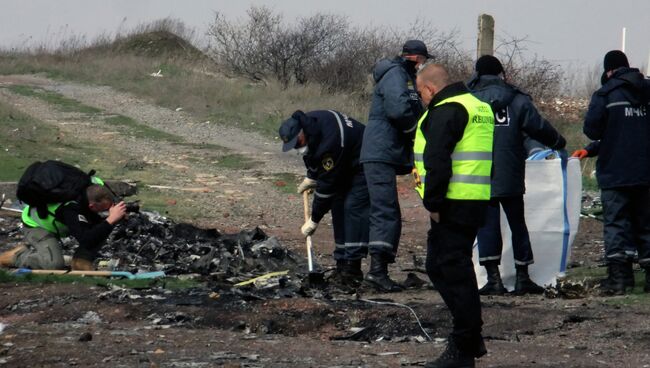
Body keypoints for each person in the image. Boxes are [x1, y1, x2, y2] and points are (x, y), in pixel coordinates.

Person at [467, 55, 567, 295]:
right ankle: (523, 278)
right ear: (501, 73)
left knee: (487, 225)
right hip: (511, 171)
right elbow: (538, 126)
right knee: (518, 225)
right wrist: (558, 142)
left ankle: (493, 280)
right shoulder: (518, 100)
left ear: (478, 74)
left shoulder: (469, 100)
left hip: (481, 172)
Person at [414, 63, 493, 367]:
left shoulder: (446, 109)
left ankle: (465, 346)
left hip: (452, 202)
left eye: (421, 91)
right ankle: (468, 339)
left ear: (430, 89)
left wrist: (433, 204)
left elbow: (438, 162)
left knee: (454, 271)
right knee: (437, 266)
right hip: (474, 198)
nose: (421, 98)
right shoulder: (478, 106)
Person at [359, 39, 432, 292]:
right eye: (424, 60)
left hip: (388, 151)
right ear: (415, 58)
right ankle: (377, 272)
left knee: (386, 211)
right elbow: (399, 109)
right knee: (385, 211)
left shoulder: (405, 77)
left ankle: (378, 269)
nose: (424, 65)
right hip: (381, 151)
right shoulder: (395, 74)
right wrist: (416, 132)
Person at [581, 50, 650, 294]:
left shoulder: (606, 94)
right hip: (645, 173)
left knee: (616, 224)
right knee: (645, 223)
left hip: (615, 173)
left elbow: (593, 129)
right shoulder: (647, 90)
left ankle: (620, 279)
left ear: (609, 70)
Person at [279, 110, 369, 286]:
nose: (297, 148)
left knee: (352, 208)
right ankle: (341, 264)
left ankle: (352, 269)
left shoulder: (329, 142)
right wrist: (311, 176)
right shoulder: (310, 126)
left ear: (301, 133)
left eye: (297, 143)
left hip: (363, 160)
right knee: (338, 207)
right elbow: (312, 156)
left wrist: (314, 220)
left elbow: (326, 188)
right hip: (343, 160)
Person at [0, 184, 127, 270]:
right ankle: (17, 256)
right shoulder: (71, 209)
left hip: (56, 223)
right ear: (92, 207)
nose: (105, 212)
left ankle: (81, 262)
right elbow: (86, 239)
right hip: (36, 225)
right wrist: (110, 219)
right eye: (103, 210)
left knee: (101, 226)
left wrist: (113, 217)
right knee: (54, 265)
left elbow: (96, 229)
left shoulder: (92, 189)